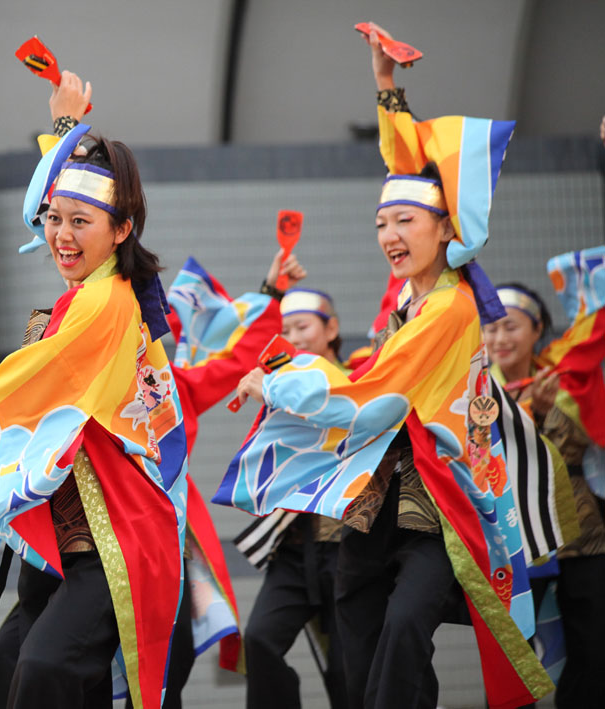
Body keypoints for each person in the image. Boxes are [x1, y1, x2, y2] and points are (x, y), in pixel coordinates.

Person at [219, 22, 558, 708]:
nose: (389, 235)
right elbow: (410, 171)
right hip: (375, 503)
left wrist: (278, 379)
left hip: (442, 497)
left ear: (444, 230)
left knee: (404, 625)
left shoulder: (450, 309)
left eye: (404, 223)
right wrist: (385, 88)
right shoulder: (410, 296)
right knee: (359, 626)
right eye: (381, 224)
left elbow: (372, 389)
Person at [0, 69, 187, 709]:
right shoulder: (84, 301)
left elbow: (20, 405)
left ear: (122, 230)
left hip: (115, 539)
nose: (61, 236)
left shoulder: (105, 305)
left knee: (41, 668)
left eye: (80, 223)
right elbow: (39, 419)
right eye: (54, 220)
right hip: (71, 542)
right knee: (13, 660)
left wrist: (70, 129)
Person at [486, 272, 605, 708]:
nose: (499, 337)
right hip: (515, 539)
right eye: (491, 326)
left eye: (511, 325)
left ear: (537, 330)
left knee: (592, 648)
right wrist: (528, 412)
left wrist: (548, 410)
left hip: (580, 534)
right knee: (513, 655)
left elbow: (583, 445)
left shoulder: (569, 377)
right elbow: (482, 456)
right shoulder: (478, 391)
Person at [240, 287, 348, 709]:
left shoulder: (361, 376)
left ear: (332, 328)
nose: (294, 338)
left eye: (302, 327)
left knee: (346, 664)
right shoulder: (280, 385)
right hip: (295, 543)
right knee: (260, 640)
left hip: (347, 544)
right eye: (285, 331)